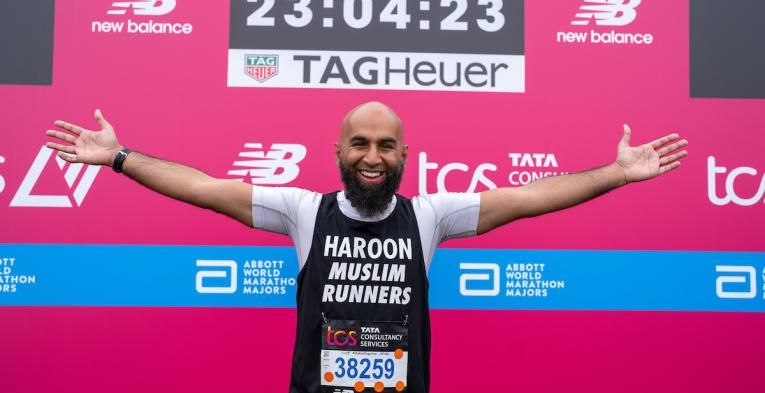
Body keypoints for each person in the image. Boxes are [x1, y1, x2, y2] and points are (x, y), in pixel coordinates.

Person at [45, 102, 687, 393]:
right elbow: (204, 187)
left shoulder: (432, 216)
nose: (372, 156)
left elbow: (527, 198)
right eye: (360, 144)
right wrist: (120, 158)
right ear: (339, 152)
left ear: (406, 155)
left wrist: (615, 174)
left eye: (386, 145)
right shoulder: (301, 212)